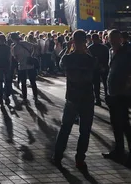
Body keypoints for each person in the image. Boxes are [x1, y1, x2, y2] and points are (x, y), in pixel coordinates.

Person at [52, 30, 97, 169]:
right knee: (85, 130)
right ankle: (80, 159)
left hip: (72, 97)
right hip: (87, 97)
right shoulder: (91, 59)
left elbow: (60, 63)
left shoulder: (68, 58)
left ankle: (58, 156)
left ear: (73, 41)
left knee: (65, 128)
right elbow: (95, 70)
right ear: (86, 41)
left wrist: (68, 48)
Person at [102, 30, 131, 166]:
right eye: (110, 38)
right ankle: (123, 149)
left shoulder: (126, 52)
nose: (111, 40)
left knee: (122, 123)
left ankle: (129, 150)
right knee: (118, 123)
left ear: (120, 39)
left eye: (114, 38)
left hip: (121, 94)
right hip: (113, 93)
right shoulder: (112, 52)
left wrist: (129, 83)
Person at [11, 33, 38, 103]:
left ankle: (25, 98)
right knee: (33, 82)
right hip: (30, 64)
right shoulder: (25, 43)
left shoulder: (15, 47)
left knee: (23, 83)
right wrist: (31, 55)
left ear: (13, 39)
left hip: (22, 66)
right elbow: (34, 47)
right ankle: (35, 97)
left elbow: (15, 57)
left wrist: (20, 59)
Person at [88, 34, 110, 106]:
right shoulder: (104, 47)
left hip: (95, 68)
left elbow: (90, 59)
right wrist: (105, 65)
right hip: (104, 67)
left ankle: (98, 99)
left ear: (92, 39)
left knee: (96, 85)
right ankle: (107, 98)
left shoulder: (90, 48)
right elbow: (108, 57)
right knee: (105, 83)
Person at [0, 34, 12, 105]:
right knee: (7, 81)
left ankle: (0, 97)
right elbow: (10, 57)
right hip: (6, 65)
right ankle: (7, 96)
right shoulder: (8, 47)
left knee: (0, 81)